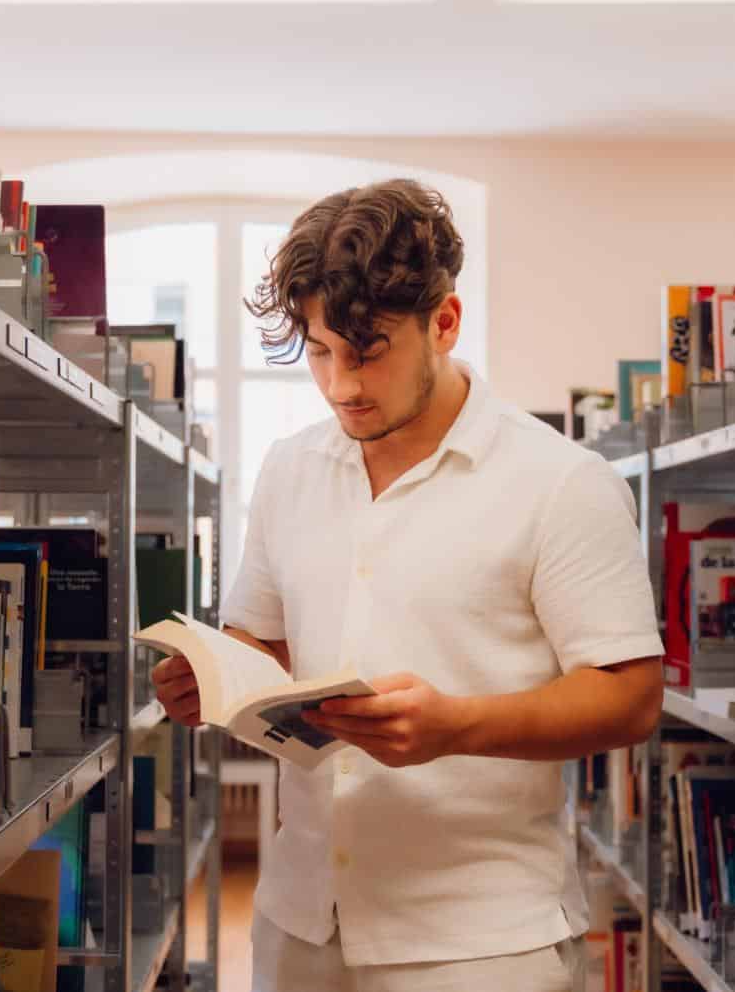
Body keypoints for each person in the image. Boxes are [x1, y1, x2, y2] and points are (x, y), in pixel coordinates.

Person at [150, 178, 663, 992]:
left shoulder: (562, 481)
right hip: (299, 919)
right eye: (320, 351)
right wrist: (210, 678)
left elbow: (630, 697)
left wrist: (454, 726)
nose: (340, 385)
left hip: (479, 943)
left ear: (444, 322)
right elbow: (265, 642)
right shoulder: (289, 469)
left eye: (368, 351)